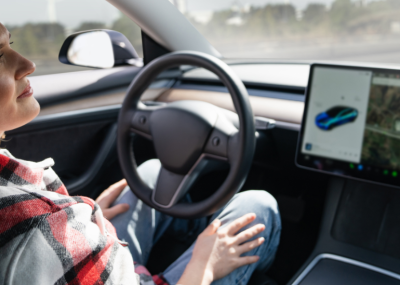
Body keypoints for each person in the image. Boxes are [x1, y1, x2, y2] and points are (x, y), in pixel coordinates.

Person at [0, 22, 281, 285]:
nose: (28, 65)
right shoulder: (39, 222)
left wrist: (82, 224)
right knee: (259, 206)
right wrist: (204, 266)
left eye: (10, 43)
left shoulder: (31, 208)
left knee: (150, 173)